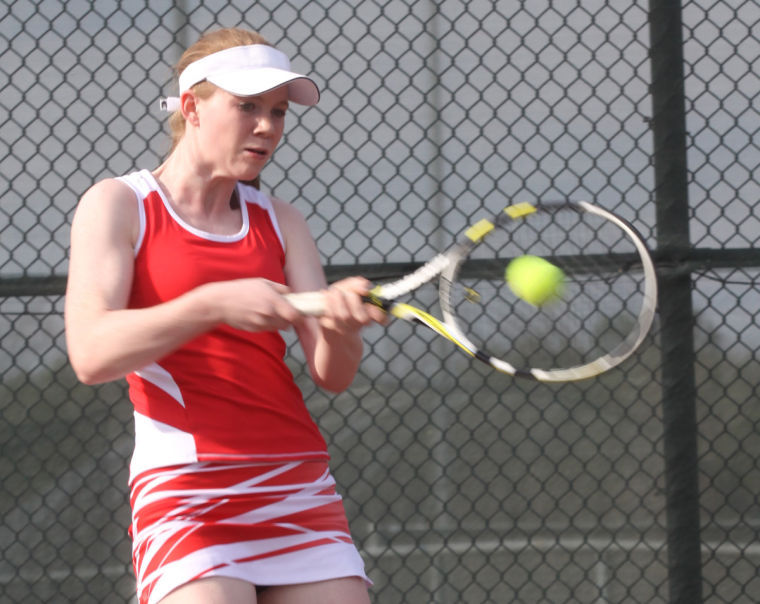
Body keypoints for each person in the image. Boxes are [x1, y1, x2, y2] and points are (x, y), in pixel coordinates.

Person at [64, 27, 385, 604]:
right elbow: (90, 353)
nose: (267, 126)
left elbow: (331, 375)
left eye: (279, 111)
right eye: (247, 106)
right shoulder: (119, 204)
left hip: (296, 486)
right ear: (191, 107)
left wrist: (343, 328)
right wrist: (213, 303)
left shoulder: (281, 220)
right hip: (186, 489)